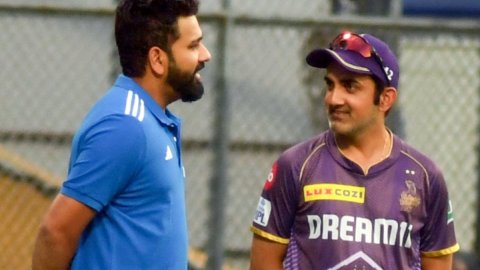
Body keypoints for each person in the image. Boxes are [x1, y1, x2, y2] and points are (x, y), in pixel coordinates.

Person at [249, 31, 459, 269]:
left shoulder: (425, 177)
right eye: (330, 85)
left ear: (385, 99)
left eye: (350, 86)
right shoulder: (295, 165)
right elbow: (262, 263)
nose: (333, 98)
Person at [32, 0, 211, 269]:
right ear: (158, 59)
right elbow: (55, 232)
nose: (205, 55)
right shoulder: (126, 126)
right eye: (193, 45)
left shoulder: (149, 121)